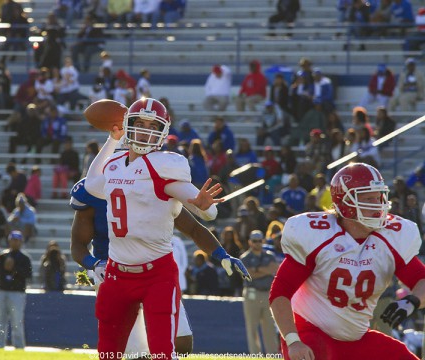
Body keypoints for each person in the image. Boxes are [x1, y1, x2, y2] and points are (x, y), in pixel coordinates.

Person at [80, 97, 251, 359]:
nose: (147, 130)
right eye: (141, 124)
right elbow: (92, 184)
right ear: (128, 124)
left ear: (162, 132)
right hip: (117, 272)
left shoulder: (164, 166)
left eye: (153, 126)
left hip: (155, 274)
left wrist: (204, 205)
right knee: (108, 353)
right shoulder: (114, 164)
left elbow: (206, 212)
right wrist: (113, 139)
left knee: (163, 352)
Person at [269, 162, 425, 360]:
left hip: (355, 339)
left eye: (379, 197)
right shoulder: (318, 236)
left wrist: (412, 301)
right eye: (369, 199)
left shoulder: (391, 237)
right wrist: (293, 341)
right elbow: (280, 292)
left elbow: (422, 280)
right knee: (314, 353)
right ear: (346, 203)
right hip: (310, 332)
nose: (378, 205)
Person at [240, 230, 279, 354]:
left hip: (268, 293)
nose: (257, 243)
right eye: (254, 241)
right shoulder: (244, 258)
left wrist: (256, 270)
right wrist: (264, 270)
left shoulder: (269, 256)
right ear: (250, 242)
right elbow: (247, 275)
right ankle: (255, 355)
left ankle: (272, 355)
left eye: (260, 241)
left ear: (263, 241)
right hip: (252, 294)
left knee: (270, 328)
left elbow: (274, 269)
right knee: (252, 327)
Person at [0, 230, 32, 349]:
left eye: (17, 240)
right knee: (0, 321)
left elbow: (28, 274)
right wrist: (6, 268)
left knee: (17, 322)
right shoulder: (3, 255)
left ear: (21, 242)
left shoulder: (25, 258)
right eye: (13, 240)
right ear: (9, 241)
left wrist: (14, 268)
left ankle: (19, 346)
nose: (15, 243)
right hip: (3, 291)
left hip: (17, 293)